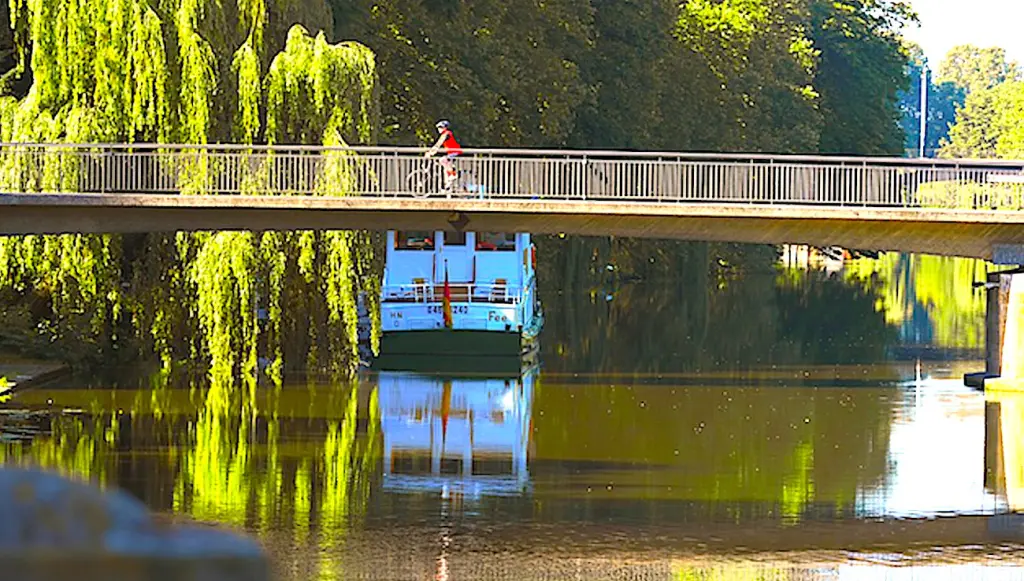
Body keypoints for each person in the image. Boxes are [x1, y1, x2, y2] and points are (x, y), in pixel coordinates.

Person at [425, 120, 462, 192]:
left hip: (455, 152)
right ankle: (447, 182)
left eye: (441, 127)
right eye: (438, 128)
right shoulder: (443, 134)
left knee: (442, 160)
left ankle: (453, 174)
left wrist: (430, 153)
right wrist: (431, 152)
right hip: (451, 152)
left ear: (445, 128)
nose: (439, 129)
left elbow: (438, 144)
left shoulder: (447, 134)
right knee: (443, 164)